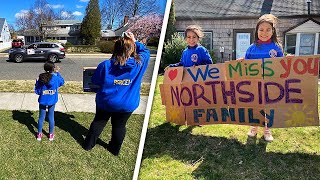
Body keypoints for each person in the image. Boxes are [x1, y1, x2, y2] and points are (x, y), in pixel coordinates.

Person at [83, 32, 150, 156]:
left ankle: (88, 145)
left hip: (106, 102)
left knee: (99, 122)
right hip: (127, 104)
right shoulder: (139, 64)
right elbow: (146, 52)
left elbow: (96, 81)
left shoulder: (105, 65)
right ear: (132, 49)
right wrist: (134, 40)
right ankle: (114, 149)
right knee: (119, 126)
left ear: (115, 49)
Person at [239, 14, 284, 142]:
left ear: (273, 31)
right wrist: (241, 62)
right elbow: (246, 67)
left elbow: (282, 64)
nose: (264, 33)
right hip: (255, 85)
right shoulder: (251, 49)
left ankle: (267, 129)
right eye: (261, 30)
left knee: (268, 106)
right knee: (255, 106)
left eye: (268, 29)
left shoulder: (277, 48)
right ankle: (254, 126)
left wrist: (288, 60)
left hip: (271, 84)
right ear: (256, 31)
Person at [34, 61, 65, 141]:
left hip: (43, 100)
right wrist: (58, 73)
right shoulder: (56, 78)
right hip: (52, 100)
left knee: (41, 118)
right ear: (53, 68)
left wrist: (36, 83)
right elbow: (62, 82)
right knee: (51, 117)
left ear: (45, 69)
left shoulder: (41, 78)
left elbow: (37, 92)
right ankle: (51, 135)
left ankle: (39, 135)